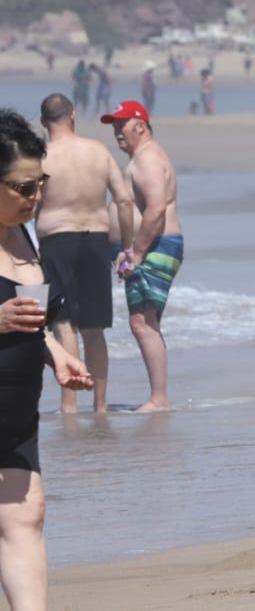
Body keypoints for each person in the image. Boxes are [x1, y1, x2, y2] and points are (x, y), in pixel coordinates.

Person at [0, 109, 94, 610]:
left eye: (40, 185)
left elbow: (30, 319)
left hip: (15, 414)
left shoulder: (24, 235)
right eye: (22, 188)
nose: (34, 199)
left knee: (25, 515)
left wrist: (55, 353)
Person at [36, 94, 134, 414]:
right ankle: (101, 405)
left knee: (63, 324)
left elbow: (27, 203)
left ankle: (69, 406)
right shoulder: (98, 151)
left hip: (56, 240)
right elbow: (123, 201)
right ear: (73, 116)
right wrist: (127, 247)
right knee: (94, 328)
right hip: (95, 240)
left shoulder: (41, 157)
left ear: (42, 122)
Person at [103, 100, 183, 412]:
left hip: (156, 246)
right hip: (151, 246)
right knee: (146, 321)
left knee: (141, 322)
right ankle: (158, 396)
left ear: (140, 125)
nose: (116, 132)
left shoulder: (148, 158)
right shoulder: (141, 157)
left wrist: (136, 252)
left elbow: (156, 207)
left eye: (121, 124)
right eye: (113, 125)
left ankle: (159, 399)